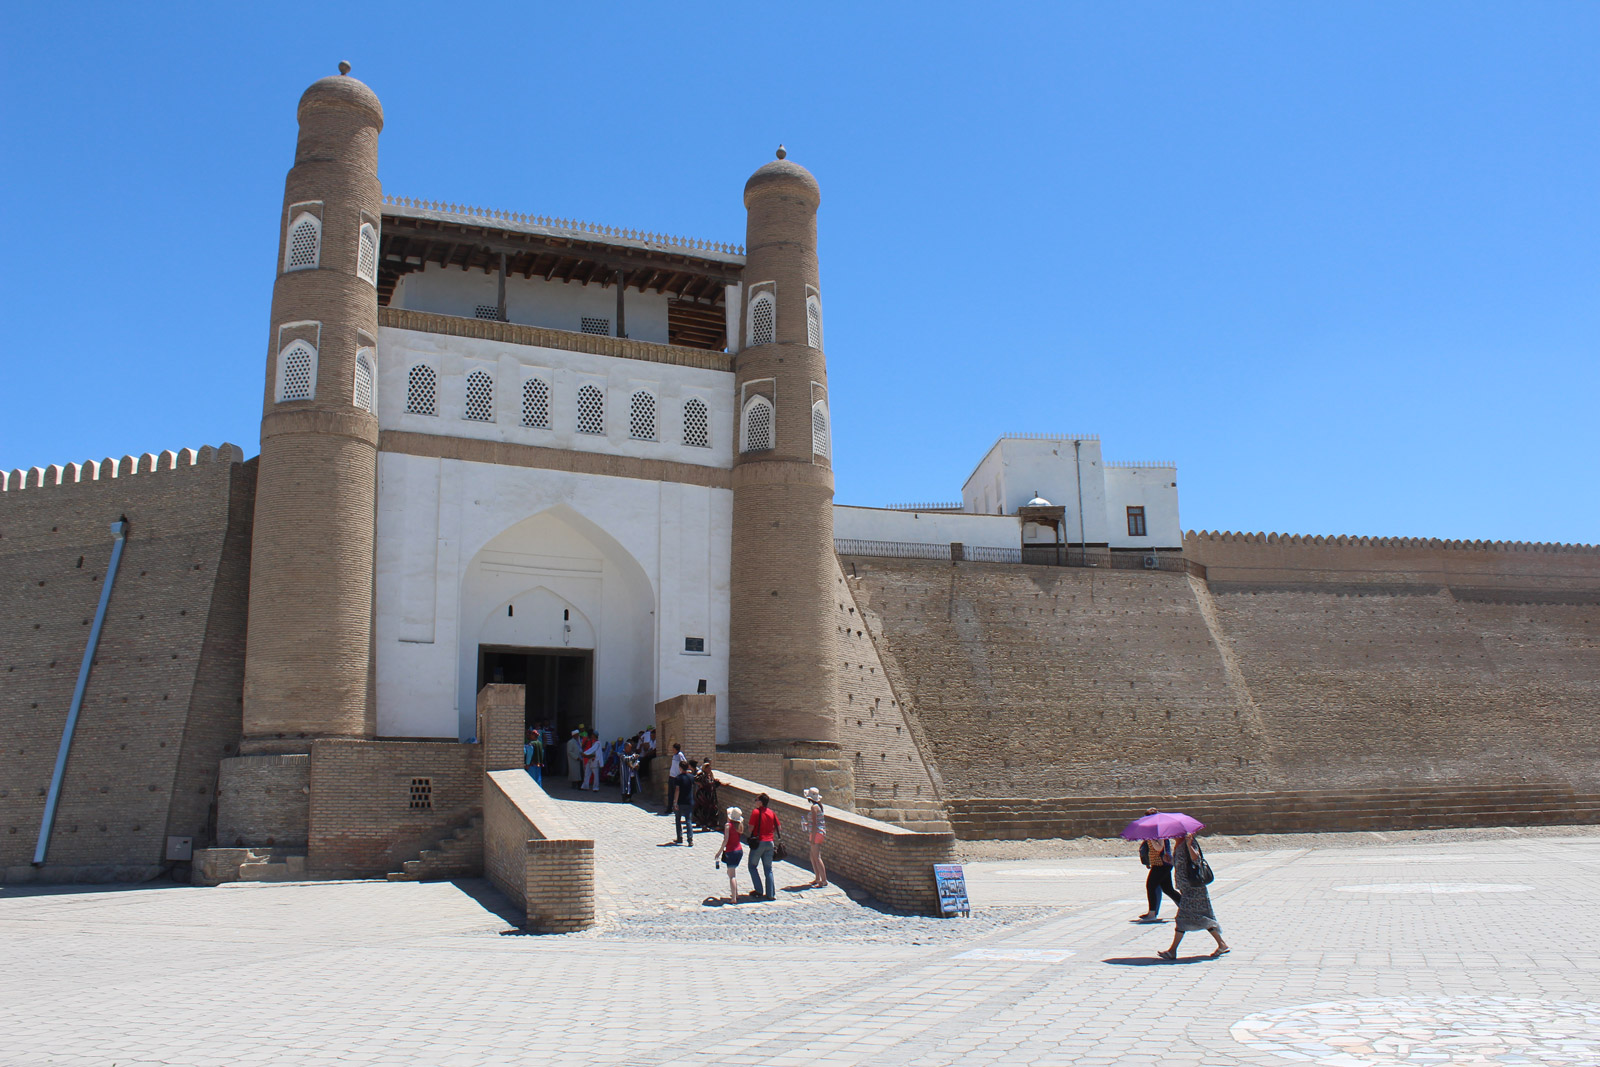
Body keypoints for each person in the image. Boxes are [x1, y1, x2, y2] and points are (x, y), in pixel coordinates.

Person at [1159, 832, 1230, 960]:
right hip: (1186, 888)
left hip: (1194, 888)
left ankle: (1172, 951)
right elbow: (1181, 865)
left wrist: (1189, 843)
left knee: (1182, 918)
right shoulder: (1178, 845)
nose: (1172, 835)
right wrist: (1169, 860)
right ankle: (1222, 944)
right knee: (1202, 916)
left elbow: (1196, 859)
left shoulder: (1189, 842)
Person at [1136, 810, 1180, 921]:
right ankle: (1187, 907)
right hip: (1160, 864)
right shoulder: (1153, 830)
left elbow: (1159, 848)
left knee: (1151, 885)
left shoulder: (1159, 831)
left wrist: (1150, 838)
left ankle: (1152, 913)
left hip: (1161, 864)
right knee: (1168, 889)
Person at [745, 793, 780, 900]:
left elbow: (751, 828)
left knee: (752, 866)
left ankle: (759, 890)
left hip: (759, 842)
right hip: (770, 842)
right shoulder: (772, 813)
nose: (755, 802)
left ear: (760, 802)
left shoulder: (756, 812)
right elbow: (778, 827)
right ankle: (771, 894)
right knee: (768, 869)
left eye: (756, 800)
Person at [717, 806, 745, 904]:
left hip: (731, 851)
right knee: (731, 872)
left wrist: (719, 852)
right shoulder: (740, 825)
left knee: (732, 875)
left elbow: (725, 840)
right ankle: (735, 893)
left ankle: (734, 898)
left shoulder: (728, 826)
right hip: (739, 851)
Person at [802, 787, 828, 888]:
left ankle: (824, 880)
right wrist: (807, 823)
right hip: (818, 832)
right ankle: (817, 878)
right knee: (813, 856)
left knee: (816, 857)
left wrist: (812, 838)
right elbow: (815, 821)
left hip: (816, 833)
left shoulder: (814, 808)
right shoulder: (819, 806)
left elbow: (815, 824)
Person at [671, 760, 698, 845]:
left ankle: (680, 837)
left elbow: (677, 790)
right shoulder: (691, 777)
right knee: (688, 820)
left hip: (680, 802)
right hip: (689, 801)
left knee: (678, 820)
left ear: (680, 768)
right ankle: (690, 839)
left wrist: (675, 802)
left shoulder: (678, 778)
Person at [693, 762, 720, 831]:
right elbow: (694, 779)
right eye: (708, 768)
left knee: (712, 809)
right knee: (704, 810)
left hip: (710, 795)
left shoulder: (710, 775)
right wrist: (700, 784)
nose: (710, 769)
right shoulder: (702, 775)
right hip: (704, 795)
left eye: (710, 768)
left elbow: (712, 783)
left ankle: (711, 824)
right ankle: (704, 825)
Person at [663, 743, 686, 814]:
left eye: (673, 748)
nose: (672, 750)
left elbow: (684, 763)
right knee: (670, 794)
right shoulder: (674, 755)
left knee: (676, 793)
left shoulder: (680, 755)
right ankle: (669, 808)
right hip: (671, 776)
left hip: (676, 777)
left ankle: (678, 808)